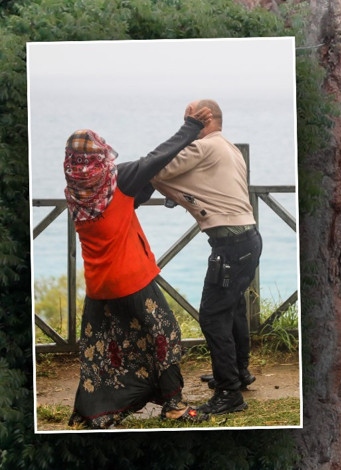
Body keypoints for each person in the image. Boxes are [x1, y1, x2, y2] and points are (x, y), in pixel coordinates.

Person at [66, 106, 213, 429]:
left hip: (98, 288)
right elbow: (155, 158)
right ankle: (173, 406)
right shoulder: (115, 179)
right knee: (164, 336)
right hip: (132, 281)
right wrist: (191, 127)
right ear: (101, 154)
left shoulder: (76, 191)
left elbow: (125, 203)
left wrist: (145, 183)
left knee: (105, 352)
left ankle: (93, 413)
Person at [152, 99, 262, 416]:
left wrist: (176, 193)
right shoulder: (229, 149)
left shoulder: (204, 149)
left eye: (190, 121)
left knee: (213, 316)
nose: (187, 129)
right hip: (248, 239)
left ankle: (229, 394)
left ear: (207, 119)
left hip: (230, 245)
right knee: (233, 308)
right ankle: (239, 374)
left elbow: (157, 168)